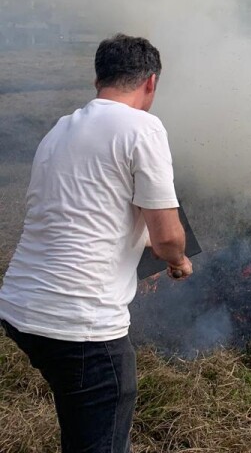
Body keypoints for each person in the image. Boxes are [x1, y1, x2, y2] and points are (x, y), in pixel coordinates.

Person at [0, 34, 193, 453]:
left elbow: (81, 213)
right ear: (151, 83)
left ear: (97, 80)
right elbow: (167, 238)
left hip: (20, 309)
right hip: (81, 326)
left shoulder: (60, 129)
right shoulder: (142, 127)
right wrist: (177, 261)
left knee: (79, 410)